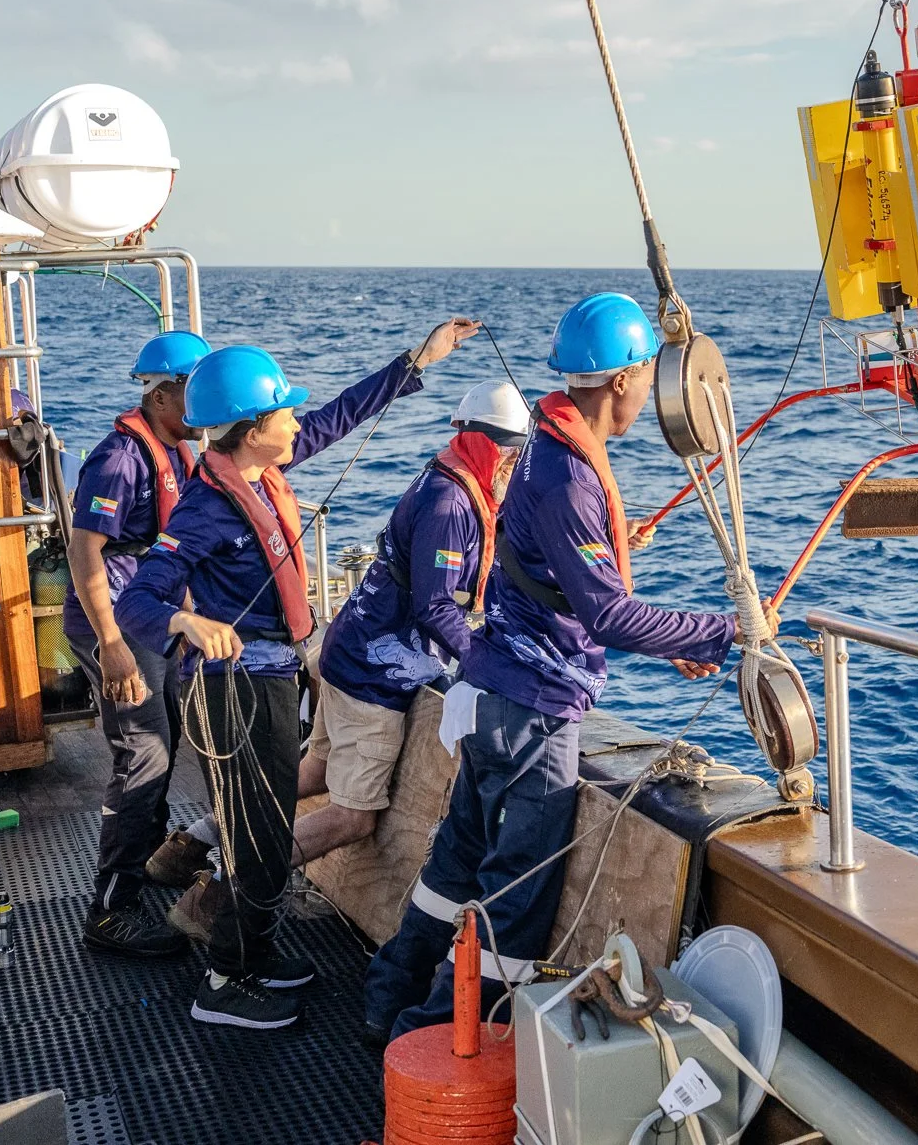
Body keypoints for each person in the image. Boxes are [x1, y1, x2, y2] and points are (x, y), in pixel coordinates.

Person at [364, 293, 744, 1042]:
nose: (646, 386)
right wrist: (720, 633)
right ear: (621, 381)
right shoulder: (569, 476)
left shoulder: (543, 445)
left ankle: (390, 1002)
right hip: (534, 717)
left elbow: (556, 578)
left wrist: (666, 636)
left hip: (493, 699)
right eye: (642, 371)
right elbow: (604, 615)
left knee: (454, 870)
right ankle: (438, 1040)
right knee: (517, 901)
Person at [116, 322, 478, 1031]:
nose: (296, 420)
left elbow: (340, 415)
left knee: (268, 823)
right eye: (284, 410)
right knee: (255, 839)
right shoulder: (205, 506)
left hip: (276, 680)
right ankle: (224, 980)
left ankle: (256, 950)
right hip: (236, 692)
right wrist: (186, 625)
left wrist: (415, 360)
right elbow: (139, 598)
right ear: (252, 429)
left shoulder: (259, 468)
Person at [166, 381, 531, 943]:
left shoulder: (451, 479)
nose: (516, 467)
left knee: (307, 772)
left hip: (344, 652)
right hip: (374, 678)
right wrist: (487, 663)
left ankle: (196, 838)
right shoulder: (452, 504)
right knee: (353, 816)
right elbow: (436, 607)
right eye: (513, 455)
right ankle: (219, 889)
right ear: (497, 452)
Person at [66, 329, 211, 958]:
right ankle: (110, 911)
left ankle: (145, 866)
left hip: (149, 620)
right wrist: (112, 645)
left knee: (165, 741)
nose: (205, 408)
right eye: (195, 393)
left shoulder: (175, 452)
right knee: (145, 755)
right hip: (118, 627)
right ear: (162, 396)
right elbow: (84, 549)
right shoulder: (119, 460)